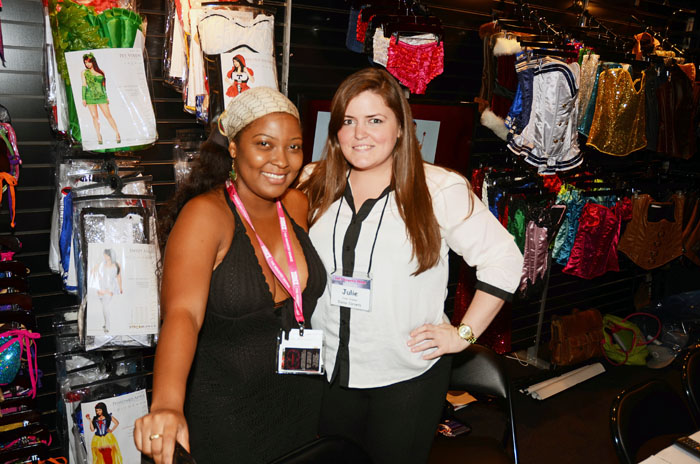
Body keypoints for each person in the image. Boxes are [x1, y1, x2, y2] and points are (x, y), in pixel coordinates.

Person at [298, 67, 524, 464]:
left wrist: (464, 334)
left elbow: (504, 258)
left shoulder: (438, 189)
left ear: (401, 127)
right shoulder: (312, 183)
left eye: (375, 120)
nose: (359, 133)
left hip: (405, 379)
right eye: (348, 121)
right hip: (329, 373)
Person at [133, 87, 326, 464]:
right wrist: (167, 404)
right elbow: (183, 315)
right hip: (227, 420)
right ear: (234, 148)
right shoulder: (206, 216)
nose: (281, 160)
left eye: (294, 147)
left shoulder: (297, 205)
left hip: (299, 408)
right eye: (265, 144)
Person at [81, 53, 121, 144]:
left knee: (108, 115)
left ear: (93, 62)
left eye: (89, 62)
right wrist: (83, 98)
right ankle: (98, 135)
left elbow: (103, 86)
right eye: (85, 62)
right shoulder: (84, 72)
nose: (87, 64)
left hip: (101, 96)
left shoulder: (101, 72)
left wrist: (106, 97)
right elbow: (84, 85)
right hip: (90, 96)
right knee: (95, 117)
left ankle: (117, 133)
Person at [90, 248, 123, 332]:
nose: (104, 256)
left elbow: (119, 276)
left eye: (106, 255)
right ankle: (106, 323)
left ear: (110, 256)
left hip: (110, 288)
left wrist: (120, 288)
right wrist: (98, 277)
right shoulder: (102, 263)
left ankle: (108, 326)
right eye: (104, 255)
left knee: (105, 306)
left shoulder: (117, 265)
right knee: (104, 306)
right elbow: (92, 271)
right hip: (101, 287)